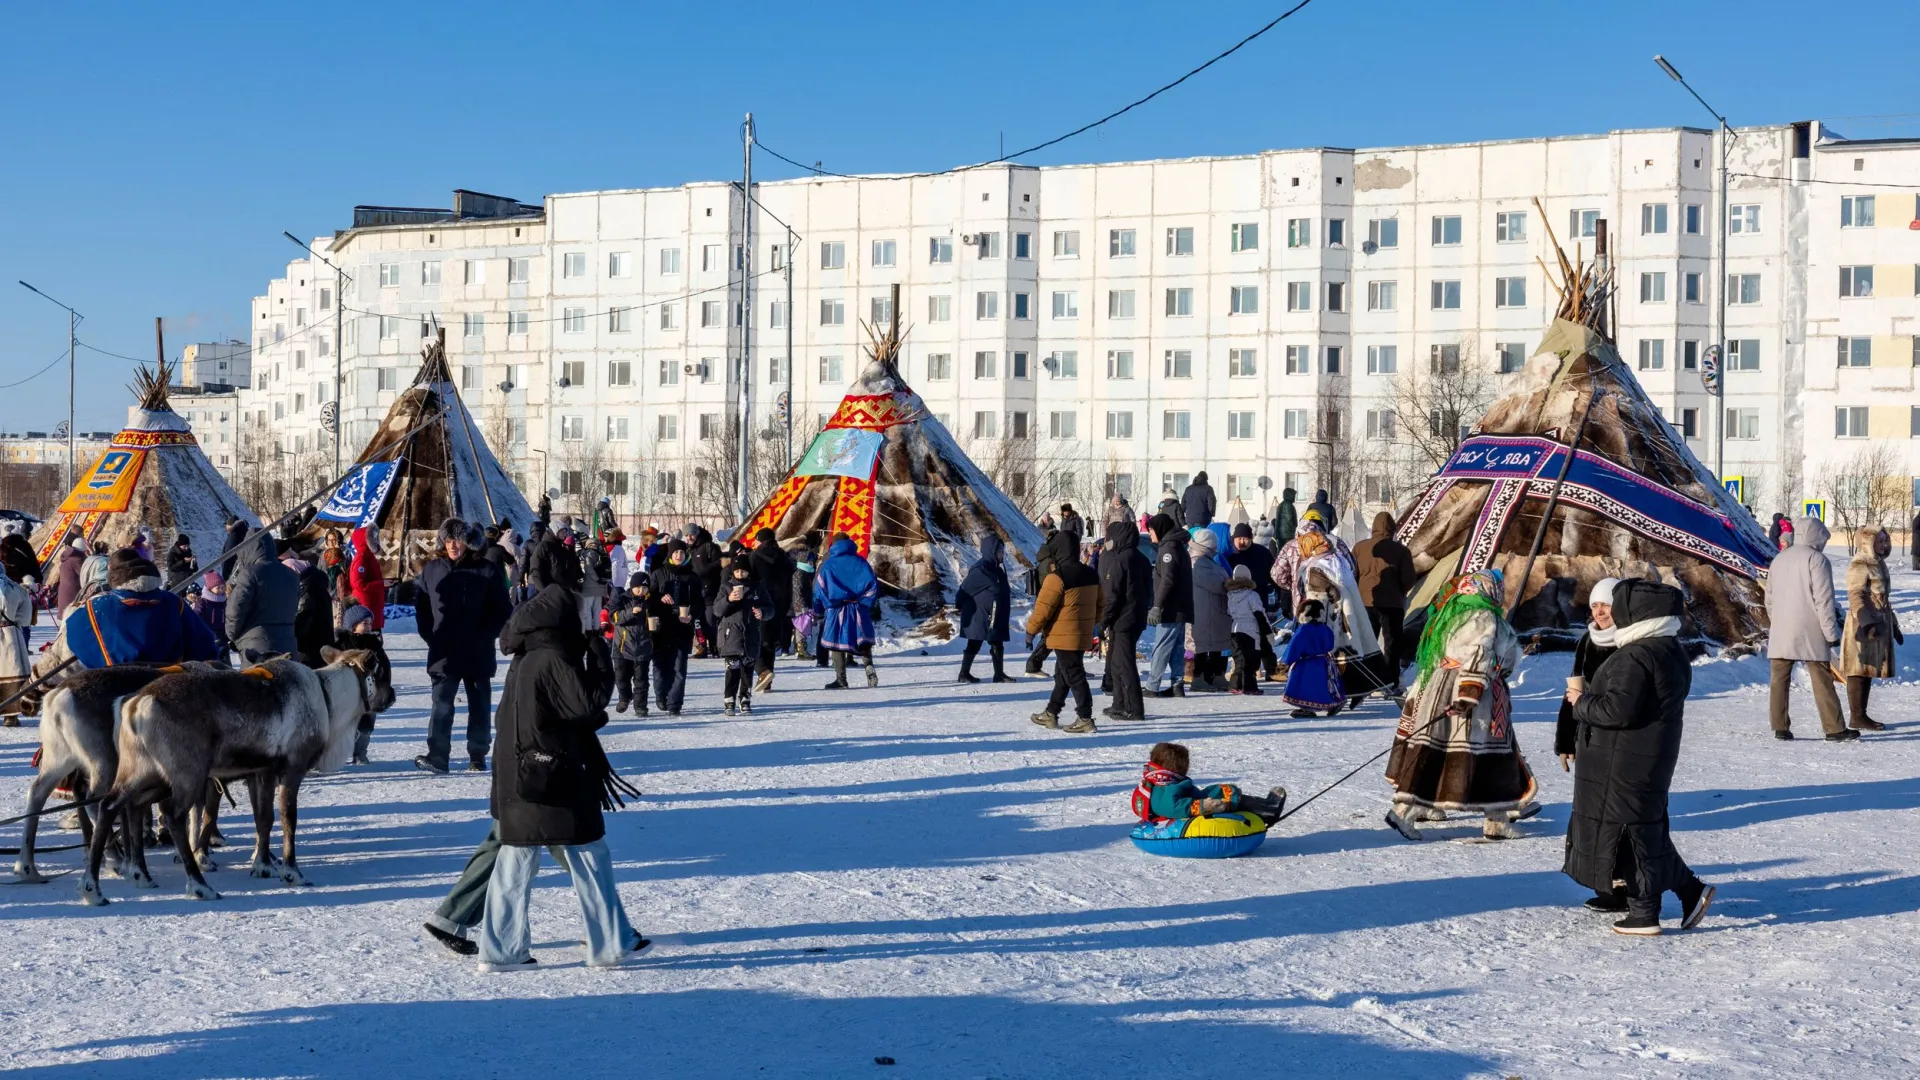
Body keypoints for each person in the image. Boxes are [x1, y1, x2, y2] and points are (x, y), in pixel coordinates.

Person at [475, 582, 646, 972]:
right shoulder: (553, 656)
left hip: (519, 775)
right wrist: (599, 654)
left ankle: (501, 951)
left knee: (515, 861)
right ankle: (611, 943)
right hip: (550, 774)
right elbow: (586, 705)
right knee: (590, 853)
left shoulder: (526, 656)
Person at [1563, 579, 1717, 936]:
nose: (1611, 614)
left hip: (1624, 759)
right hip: (1646, 755)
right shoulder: (1667, 647)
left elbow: (1618, 710)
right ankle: (1678, 894)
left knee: (1632, 834)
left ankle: (1648, 910)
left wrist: (1580, 702)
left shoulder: (1636, 655)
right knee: (1642, 830)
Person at [1383, 569, 1535, 841]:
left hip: (1440, 688)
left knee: (1440, 752)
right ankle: (1404, 812)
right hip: (1473, 696)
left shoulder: (1453, 612)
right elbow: (1478, 654)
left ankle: (1495, 819)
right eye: (1498, 588)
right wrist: (1469, 694)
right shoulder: (1483, 617)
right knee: (1483, 756)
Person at [414, 518, 513, 773]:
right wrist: (431, 636)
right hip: (443, 649)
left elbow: (502, 609)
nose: (452, 545)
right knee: (441, 704)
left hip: (476, 649)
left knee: (478, 703)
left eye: (457, 540)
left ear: (467, 542)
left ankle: (477, 755)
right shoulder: (432, 569)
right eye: (448, 540)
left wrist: (485, 634)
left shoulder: (487, 570)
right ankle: (437, 756)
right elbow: (422, 607)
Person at [1765, 516, 1853, 742]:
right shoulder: (1817, 560)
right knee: (1821, 677)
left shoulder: (1779, 559)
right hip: (1810, 629)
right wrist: (1831, 633)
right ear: (1817, 536)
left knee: (1779, 679)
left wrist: (1778, 621)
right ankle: (1834, 728)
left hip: (1782, 629)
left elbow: (1770, 599)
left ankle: (1780, 727)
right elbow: (1824, 600)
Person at [61, 548, 219, 669]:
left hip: (114, 695)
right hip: (168, 693)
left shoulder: (94, 607)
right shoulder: (174, 603)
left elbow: (71, 645)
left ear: (111, 571)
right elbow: (204, 647)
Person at [1026, 535, 1104, 734]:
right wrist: (1088, 624)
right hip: (1081, 633)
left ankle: (1085, 717)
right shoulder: (1091, 574)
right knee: (1063, 675)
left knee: (1074, 675)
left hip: (1063, 635)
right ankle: (1051, 713)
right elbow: (1101, 606)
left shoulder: (1057, 577)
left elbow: (1043, 609)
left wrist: (1031, 631)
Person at [1133, 742, 1287, 827]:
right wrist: (1202, 806)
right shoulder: (1163, 787)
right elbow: (1170, 807)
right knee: (1226, 799)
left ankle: (1264, 806)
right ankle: (1267, 810)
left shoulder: (1162, 781)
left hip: (1195, 800)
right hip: (1193, 809)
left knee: (1219, 792)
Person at [1556, 578, 1620, 775]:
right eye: (1594, 606)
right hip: (1587, 733)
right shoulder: (1587, 640)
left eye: (1606, 605)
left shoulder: (1630, 641)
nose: (1599, 612)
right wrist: (1566, 741)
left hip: (1619, 735)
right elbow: (1574, 690)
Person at [1838, 527, 1896, 732]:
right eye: (1879, 541)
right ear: (1867, 542)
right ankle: (1857, 716)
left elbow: (1883, 599)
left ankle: (1861, 714)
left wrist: (1894, 624)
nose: (1884, 545)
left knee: (1868, 668)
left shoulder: (1879, 563)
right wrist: (1866, 621)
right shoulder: (1860, 563)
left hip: (1879, 623)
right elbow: (1855, 595)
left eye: (1885, 541)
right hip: (1862, 624)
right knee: (1858, 669)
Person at [1353, 511, 1418, 691]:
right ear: (1393, 528)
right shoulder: (1401, 551)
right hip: (1392, 603)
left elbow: (1353, 574)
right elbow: (1408, 579)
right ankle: (1390, 682)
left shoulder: (1359, 548)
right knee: (1392, 644)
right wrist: (1400, 590)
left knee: (1367, 642)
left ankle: (1365, 680)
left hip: (1365, 601)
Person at [1099, 518, 1152, 723]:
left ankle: (1133, 708)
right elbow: (1148, 591)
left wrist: (1104, 620)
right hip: (1135, 617)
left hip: (1123, 619)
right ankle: (1119, 704)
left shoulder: (1120, 560)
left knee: (1124, 665)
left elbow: (1113, 595)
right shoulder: (1141, 558)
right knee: (1117, 664)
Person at [815, 534, 879, 689]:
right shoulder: (861, 562)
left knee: (837, 643)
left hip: (837, 609)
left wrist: (820, 609)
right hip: (859, 607)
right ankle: (869, 666)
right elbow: (873, 585)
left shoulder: (829, 564)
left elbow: (820, 589)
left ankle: (841, 679)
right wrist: (864, 602)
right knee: (861, 639)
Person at [225, 531, 298, 662]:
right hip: (288, 642)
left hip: (257, 647)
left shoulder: (250, 574)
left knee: (254, 682)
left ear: (247, 549)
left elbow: (235, 609)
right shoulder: (291, 575)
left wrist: (232, 635)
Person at [1144, 513, 1192, 698]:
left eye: (1151, 530)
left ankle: (1152, 686)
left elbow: (1167, 580)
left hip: (1170, 607)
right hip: (1180, 606)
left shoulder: (1169, 549)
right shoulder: (1177, 545)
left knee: (1162, 646)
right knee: (1176, 647)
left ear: (1160, 529)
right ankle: (1177, 683)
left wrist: (1157, 605)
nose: (1149, 534)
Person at [710, 560, 768, 715]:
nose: (740, 574)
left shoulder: (757, 588)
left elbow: (770, 608)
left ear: (748, 572)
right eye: (737, 572)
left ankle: (745, 699)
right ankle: (729, 700)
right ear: (733, 573)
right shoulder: (726, 587)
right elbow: (716, 610)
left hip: (750, 634)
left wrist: (762, 612)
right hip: (730, 635)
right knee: (732, 669)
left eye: (743, 571)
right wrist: (728, 599)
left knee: (747, 670)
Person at [646, 541, 697, 715]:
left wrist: (692, 615)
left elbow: (699, 602)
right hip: (661, 628)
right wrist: (659, 597)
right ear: (670, 554)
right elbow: (648, 598)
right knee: (660, 667)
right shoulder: (658, 574)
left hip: (682, 628)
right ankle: (661, 696)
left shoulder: (691, 577)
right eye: (676, 552)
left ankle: (675, 704)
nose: (679, 555)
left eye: (682, 552)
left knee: (679, 668)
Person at [1225, 523, 1279, 680]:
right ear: (1234, 539)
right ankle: (1241, 670)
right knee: (1239, 640)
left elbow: (1274, 577)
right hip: (1236, 607)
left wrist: (1278, 599)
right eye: (1239, 538)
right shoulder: (1229, 556)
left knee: (1263, 637)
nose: (1242, 542)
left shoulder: (1262, 553)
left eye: (1246, 539)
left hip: (1258, 601)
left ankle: (1271, 669)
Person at [957, 533, 1013, 684]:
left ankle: (998, 674)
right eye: (1000, 551)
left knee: (996, 642)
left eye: (1003, 551)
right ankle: (964, 674)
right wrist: (959, 605)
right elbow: (964, 590)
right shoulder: (981, 570)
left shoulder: (997, 569)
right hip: (980, 615)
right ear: (991, 552)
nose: (1002, 554)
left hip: (994, 614)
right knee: (976, 643)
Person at [1024, 527, 1079, 677]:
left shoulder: (1048, 557)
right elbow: (1053, 582)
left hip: (1052, 600)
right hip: (1051, 600)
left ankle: (1069, 667)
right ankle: (1033, 665)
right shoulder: (1050, 562)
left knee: (1056, 635)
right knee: (1051, 636)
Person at [748, 529, 795, 693]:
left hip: (759, 603)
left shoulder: (754, 557)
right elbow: (790, 584)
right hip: (779, 605)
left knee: (753, 640)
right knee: (769, 642)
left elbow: (749, 580)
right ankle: (766, 682)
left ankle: (763, 672)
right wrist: (788, 605)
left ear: (760, 540)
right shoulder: (784, 557)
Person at [1281, 599, 1344, 717]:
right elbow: (1331, 644)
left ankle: (1307, 708)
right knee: (1326, 684)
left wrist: (1286, 662)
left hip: (1307, 663)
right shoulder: (1325, 628)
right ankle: (1333, 702)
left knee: (1306, 685)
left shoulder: (1303, 630)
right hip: (1324, 661)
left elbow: (1294, 647)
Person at [1187, 529, 1231, 692]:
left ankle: (1216, 676)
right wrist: (1229, 583)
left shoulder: (1205, 561)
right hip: (1205, 612)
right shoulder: (1198, 563)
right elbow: (1216, 584)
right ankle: (1200, 678)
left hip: (1212, 610)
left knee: (1215, 645)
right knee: (1203, 646)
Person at [607, 575, 653, 715]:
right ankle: (624, 697)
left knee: (641, 680)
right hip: (622, 646)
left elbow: (658, 618)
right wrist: (630, 612)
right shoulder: (622, 598)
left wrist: (656, 625)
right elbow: (613, 617)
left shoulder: (650, 602)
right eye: (638, 587)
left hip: (643, 646)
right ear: (632, 587)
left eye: (644, 588)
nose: (641, 590)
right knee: (621, 677)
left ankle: (640, 706)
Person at [283, 545, 334, 667]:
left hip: (310, 649)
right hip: (322, 645)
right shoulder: (316, 584)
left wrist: (288, 635)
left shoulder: (308, 590)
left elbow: (304, 620)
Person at [1225, 564, 1268, 695]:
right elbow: (1259, 613)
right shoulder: (1252, 595)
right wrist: (1266, 630)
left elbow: (1228, 612)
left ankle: (1235, 684)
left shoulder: (1229, 596)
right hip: (1250, 630)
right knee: (1252, 659)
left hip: (1235, 629)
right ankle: (1249, 686)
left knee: (1238, 658)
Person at [0, 558, 33, 727]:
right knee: (11, 671)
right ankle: (10, 716)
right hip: (10, 634)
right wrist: (14, 622)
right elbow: (25, 618)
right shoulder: (18, 589)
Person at [685, 524, 724, 657]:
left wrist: (704, 570)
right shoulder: (688, 550)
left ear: (697, 533)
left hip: (710, 590)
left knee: (710, 620)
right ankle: (702, 646)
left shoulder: (709, 547)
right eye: (686, 535)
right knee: (697, 620)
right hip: (695, 590)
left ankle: (714, 645)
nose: (689, 537)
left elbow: (720, 564)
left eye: (691, 534)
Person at [348, 525, 387, 632]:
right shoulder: (362, 557)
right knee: (370, 642)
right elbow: (358, 583)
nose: (376, 540)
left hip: (372, 604)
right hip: (366, 604)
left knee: (375, 641)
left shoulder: (368, 556)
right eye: (373, 537)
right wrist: (382, 584)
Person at [577, 534, 611, 633]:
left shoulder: (588, 553)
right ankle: (597, 629)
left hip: (590, 587)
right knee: (598, 610)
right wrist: (600, 580)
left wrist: (596, 579)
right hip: (601, 586)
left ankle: (588, 630)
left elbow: (588, 568)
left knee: (587, 609)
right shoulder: (601, 553)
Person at [54, 533, 87, 617]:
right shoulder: (77, 560)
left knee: (65, 624)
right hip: (73, 596)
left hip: (64, 595)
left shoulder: (67, 558)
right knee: (73, 622)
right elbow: (86, 575)